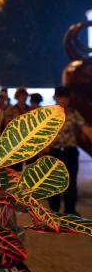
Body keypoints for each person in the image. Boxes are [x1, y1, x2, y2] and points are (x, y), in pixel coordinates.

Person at [47, 86, 92, 216]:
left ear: (68, 98)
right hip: (54, 152)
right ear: (55, 97)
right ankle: (54, 211)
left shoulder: (73, 113)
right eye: (60, 97)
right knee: (54, 182)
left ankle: (69, 211)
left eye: (65, 97)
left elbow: (85, 128)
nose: (63, 100)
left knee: (71, 182)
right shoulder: (49, 113)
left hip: (70, 152)